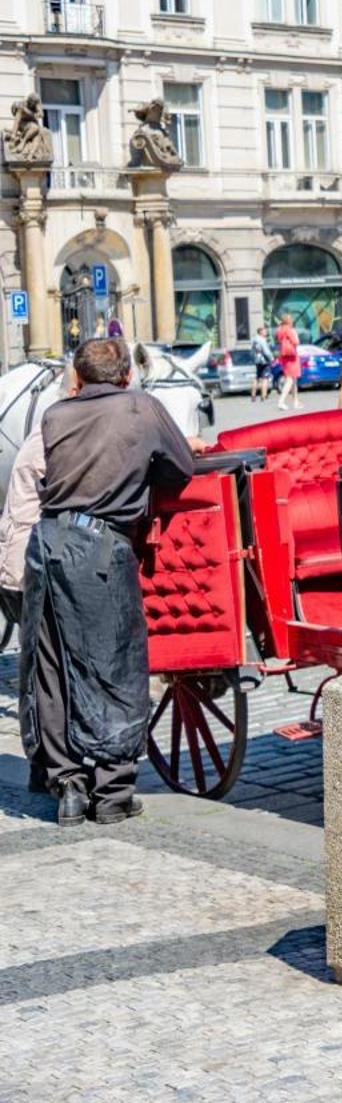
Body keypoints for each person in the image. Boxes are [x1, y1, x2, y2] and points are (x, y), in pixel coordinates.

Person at [24, 338, 197, 825]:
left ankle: (69, 787)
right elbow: (180, 465)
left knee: (52, 668)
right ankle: (113, 792)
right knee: (114, 666)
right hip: (99, 549)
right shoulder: (141, 407)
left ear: (78, 378)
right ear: (125, 375)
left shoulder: (56, 415)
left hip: (48, 543)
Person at [1, 430, 48, 793]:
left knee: (37, 667)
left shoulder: (49, 427)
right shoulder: (56, 432)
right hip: (29, 568)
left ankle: (43, 764)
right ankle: (43, 765)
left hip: (21, 564)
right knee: (39, 669)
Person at [274, 313, 302, 410]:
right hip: (292, 357)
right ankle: (281, 402)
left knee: (293, 380)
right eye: (291, 319)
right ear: (289, 321)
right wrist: (295, 335)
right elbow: (296, 342)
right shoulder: (290, 330)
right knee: (290, 380)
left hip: (284, 356)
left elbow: (279, 341)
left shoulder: (280, 330)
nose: (293, 321)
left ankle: (295, 402)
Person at [249, 326, 274, 402]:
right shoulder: (262, 340)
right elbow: (266, 352)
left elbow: (251, 351)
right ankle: (263, 396)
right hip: (264, 361)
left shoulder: (254, 340)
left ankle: (253, 396)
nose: (266, 332)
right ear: (261, 332)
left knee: (256, 378)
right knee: (265, 378)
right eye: (264, 331)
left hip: (257, 361)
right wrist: (272, 358)